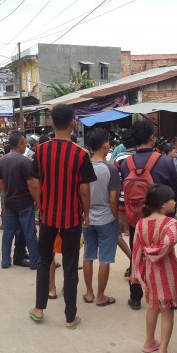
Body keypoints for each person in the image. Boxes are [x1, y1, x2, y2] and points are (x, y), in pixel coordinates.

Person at [29, 103, 97, 329]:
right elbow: (84, 190)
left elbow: (34, 182)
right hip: (72, 218)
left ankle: (39, 308)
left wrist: (41, 204)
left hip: (48, 217)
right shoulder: (81, 154)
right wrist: (86, 213)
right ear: (73, 124)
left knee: (43, 261)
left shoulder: (41, 150)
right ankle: (70, 317)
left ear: (51, 123)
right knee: (69, 267)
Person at [120, 120, 177, 311]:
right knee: (163, 253)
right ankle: (162, 295)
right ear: (152, 138)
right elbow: (175, 189)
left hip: (136, 219)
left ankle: (135, 297)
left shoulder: (125, 164)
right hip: (160, 218)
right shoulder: (165, 161)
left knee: (136, 255)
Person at [131, 184, 177, 353]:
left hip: (149, 273)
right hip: (166, 273)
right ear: (162, 205)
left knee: (153, 307)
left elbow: (136, 250)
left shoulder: (140, 223)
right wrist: (153, 252)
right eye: (172, 199)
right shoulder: (171, 223)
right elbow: (167, 245)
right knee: (167, 311)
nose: (175, 202)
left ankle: (149, 342)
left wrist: (136, 271)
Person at [81, 129, 120, 307]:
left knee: (88, 255)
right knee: (105, 258)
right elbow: (113, 199)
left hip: (87, 218)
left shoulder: (83, 167)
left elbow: (81, 193)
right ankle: (100, 296)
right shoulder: (110, 169)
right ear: (105, 145)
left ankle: (89, 293)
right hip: (106, 218)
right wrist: (116, 219)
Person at [0, 132, 40, 269]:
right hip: (24, 203)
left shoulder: (2, 160)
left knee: (8, 233)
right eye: (25, 143)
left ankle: (5, 261)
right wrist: (37, 200)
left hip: (9, 202)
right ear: (21, 144)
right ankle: (35, 262)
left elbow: (1, 181)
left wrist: (6, 194)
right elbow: (32, 185)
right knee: (29, 232)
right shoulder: (24, 161)